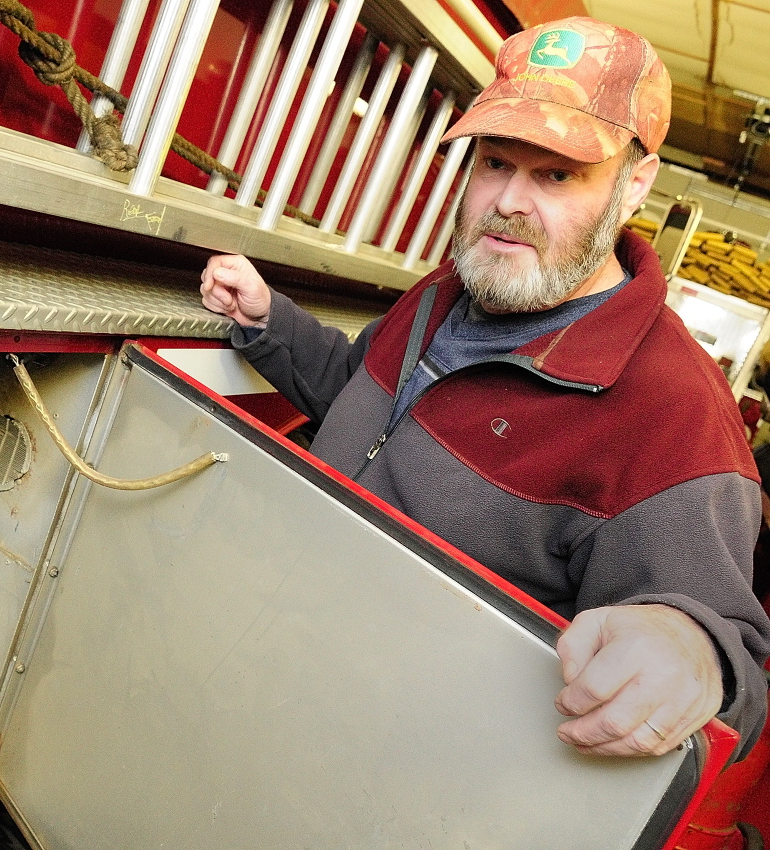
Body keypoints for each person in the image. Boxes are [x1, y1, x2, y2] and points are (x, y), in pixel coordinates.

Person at [199, 16, 770, 761]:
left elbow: (727, 658)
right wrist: (270, 321)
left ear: (635, 184)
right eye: (495, 162)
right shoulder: (450, 291)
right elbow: (360, 403)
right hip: (271, 656)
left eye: (556, 176)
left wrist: (689, 648)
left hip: (395, 754)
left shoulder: (675, 414)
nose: (507, 201)